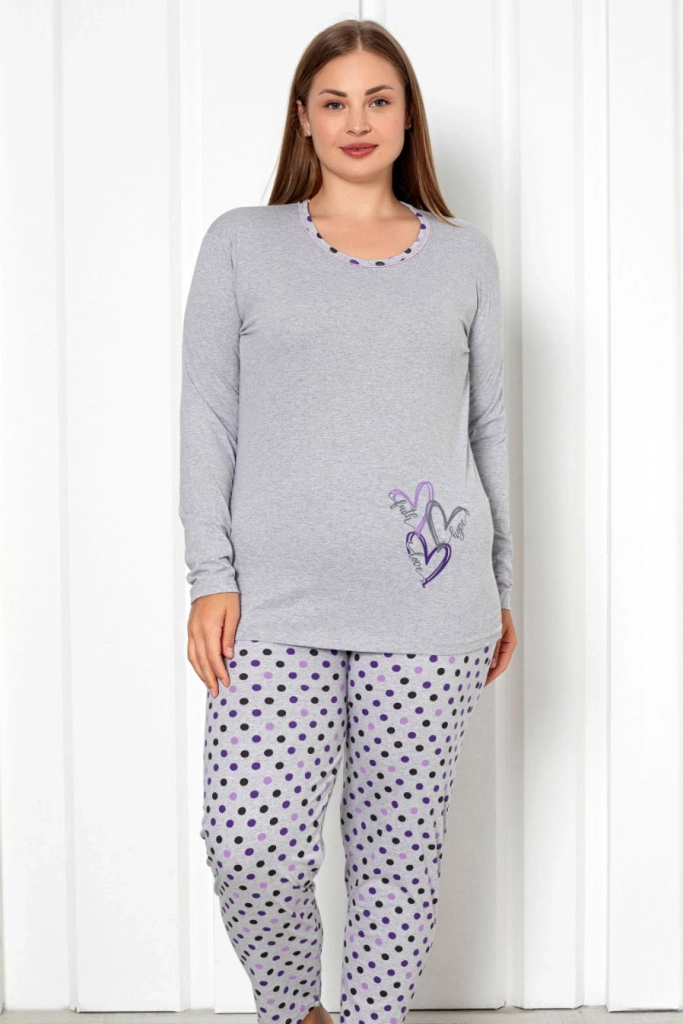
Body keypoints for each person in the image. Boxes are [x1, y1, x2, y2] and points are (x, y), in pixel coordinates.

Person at [179, 18, 518, 1024]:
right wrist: (209, 574)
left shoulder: (463, 258)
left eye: (377, 99)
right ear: (304, 118)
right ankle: (297, 1012)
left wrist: (503, 585)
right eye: (334, 102)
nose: (356, 120)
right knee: (249, 844)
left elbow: (488, 427)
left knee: (397, 856)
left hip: (430, 603)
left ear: (406, 117)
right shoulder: (241, 244)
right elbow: (207, 415)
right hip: (273, 606)